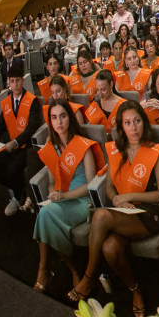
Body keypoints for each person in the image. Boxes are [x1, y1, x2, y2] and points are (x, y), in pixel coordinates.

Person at [69, 102, 159, 317]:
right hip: (124, 211)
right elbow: (109, 187)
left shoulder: (157, 151)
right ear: (121, 127)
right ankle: (135, 289)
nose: (134, 128)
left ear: (144, 122)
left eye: (137, 121)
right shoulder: (116, 150)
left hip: (151, 213)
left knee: (100, 215)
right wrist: (116, 200)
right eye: (128, 123)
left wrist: (129, 197)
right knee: (110, 249)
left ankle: (88, 278)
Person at [32, 98, 103, 295]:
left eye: (63, 116)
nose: (59, 122)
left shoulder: (82, 144)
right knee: (46, 213)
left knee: (44, 215)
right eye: (54, 117)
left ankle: (46, 270)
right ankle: (70, 269)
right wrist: (52, 192)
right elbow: (52, 180)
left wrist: (64, 196)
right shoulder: (52, 147)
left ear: (70, 118)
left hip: (82, 201)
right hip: (61, 200)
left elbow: (90, 185)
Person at [0, 64, 44, 216]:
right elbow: (0, 125)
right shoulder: (6, 102)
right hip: (9, 147)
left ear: (22, 81)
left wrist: (16, 142)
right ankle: (21, 191)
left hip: (25, 147)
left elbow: (31, 127)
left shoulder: (32, 100)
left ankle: (17, 197)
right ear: (9, 83)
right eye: (12, 81)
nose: (15, 84)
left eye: (18, 80)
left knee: (12, 170)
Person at [84, 70, 126, 135]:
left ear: (111, 84)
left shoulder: (123, 104)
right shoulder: (95, 105)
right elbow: (89, 130)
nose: (100, 94)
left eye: (103, 90)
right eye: (97, 90)